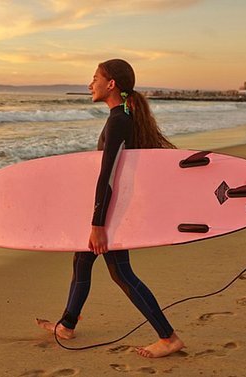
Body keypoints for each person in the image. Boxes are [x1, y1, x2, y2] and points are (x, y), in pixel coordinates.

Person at [37, 59, 185, 358]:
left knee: (122, 274)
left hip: (111, 211)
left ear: (111, 84)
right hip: (115, 207)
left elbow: (108, 175)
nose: (90, 84)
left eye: (95, 78)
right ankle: (66, 325)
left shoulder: (119, 121)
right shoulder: (123, 118)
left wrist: (97, 224)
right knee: (82, 261)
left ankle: (168, 337)